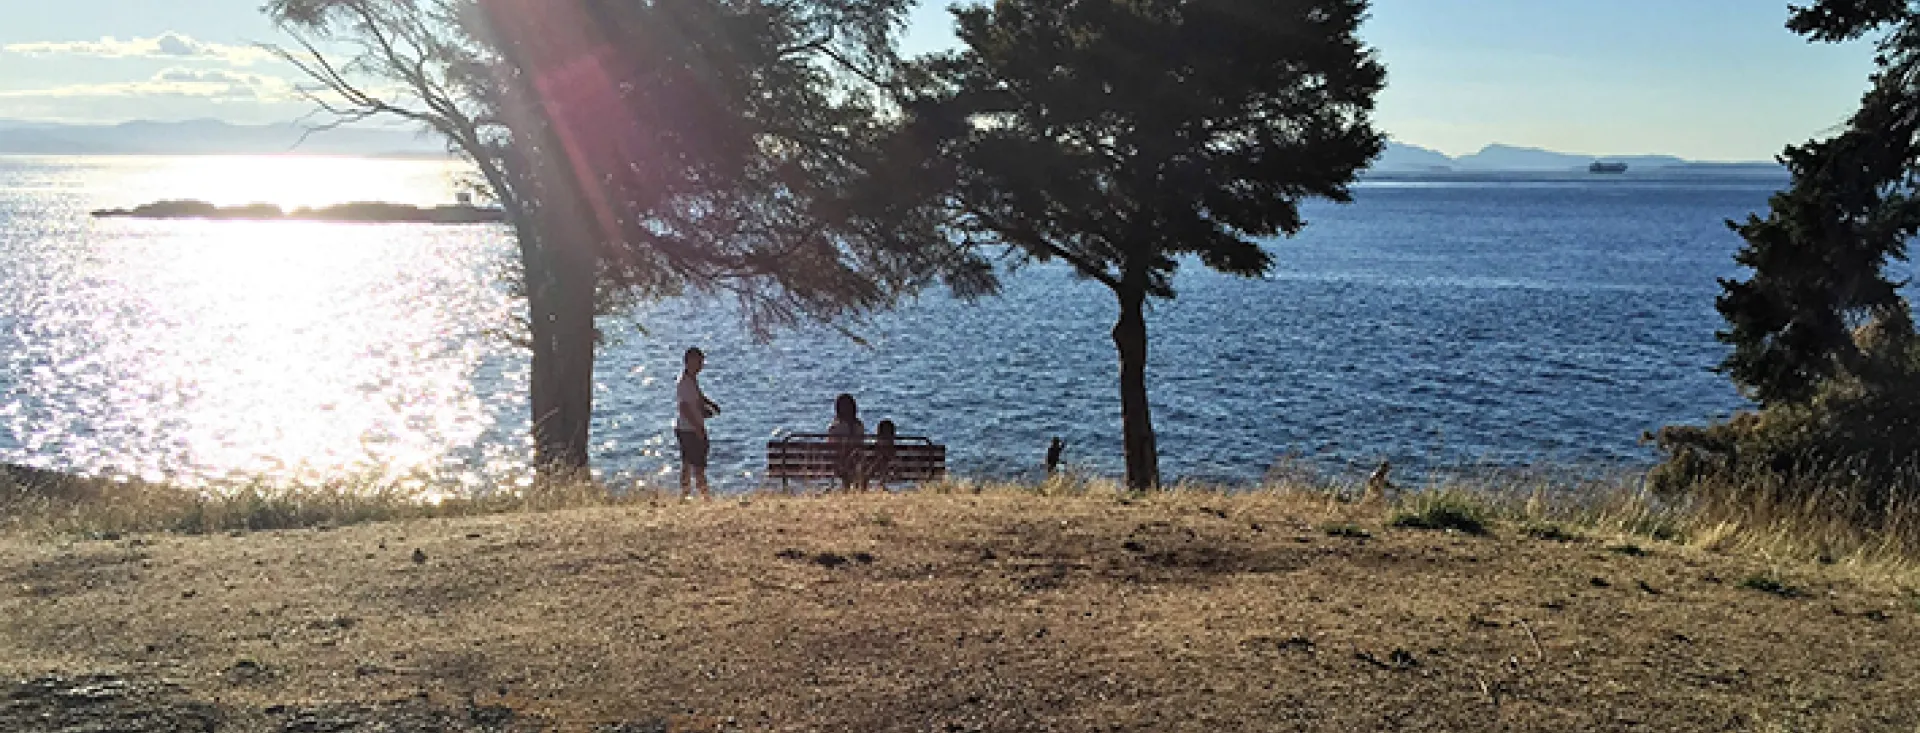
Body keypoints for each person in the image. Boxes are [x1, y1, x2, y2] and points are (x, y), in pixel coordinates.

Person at [674, 347, 720, 499]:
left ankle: (686, 494)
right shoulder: (684, 383)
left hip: (687, 427)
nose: (700, 366)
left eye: (701, 362)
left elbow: (698, 397)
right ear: (687, 362)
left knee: (687, 462)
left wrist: (710, 404)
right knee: (697, 464)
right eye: (697, 363)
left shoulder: (692, 380)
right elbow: (684, 408)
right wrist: (697, 428)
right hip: (689, 429)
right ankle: (704, 495)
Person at [827, 393, 865, 491]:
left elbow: (831, 447)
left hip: (838, 465)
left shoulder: (835, 427)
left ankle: (845, 488)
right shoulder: (859, 426)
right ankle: (854, 488)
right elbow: (861, 445)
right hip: (857, 464)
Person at [867, 419, 898, 491]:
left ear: (878, 433)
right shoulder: (899, 451)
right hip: (895, 482)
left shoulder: (871, 450)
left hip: (872, 480)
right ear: (893, 434)